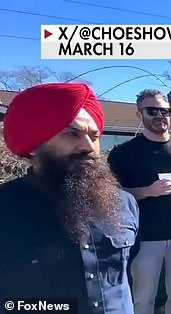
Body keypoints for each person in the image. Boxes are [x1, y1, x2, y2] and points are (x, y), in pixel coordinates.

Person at [0, 83, 139, 313]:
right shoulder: (5, 208)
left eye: (95, 137)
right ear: (35, 145)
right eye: (71, 134)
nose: (88, 146)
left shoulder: (124, 203)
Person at [107, 89, 171, 314]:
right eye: (153, 111)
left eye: (165, 111)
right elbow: (112, 195)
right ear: (139, 114)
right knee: (143, 299)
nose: (160, 116)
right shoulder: (124, 154)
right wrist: (147, 191)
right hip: (143, 239)